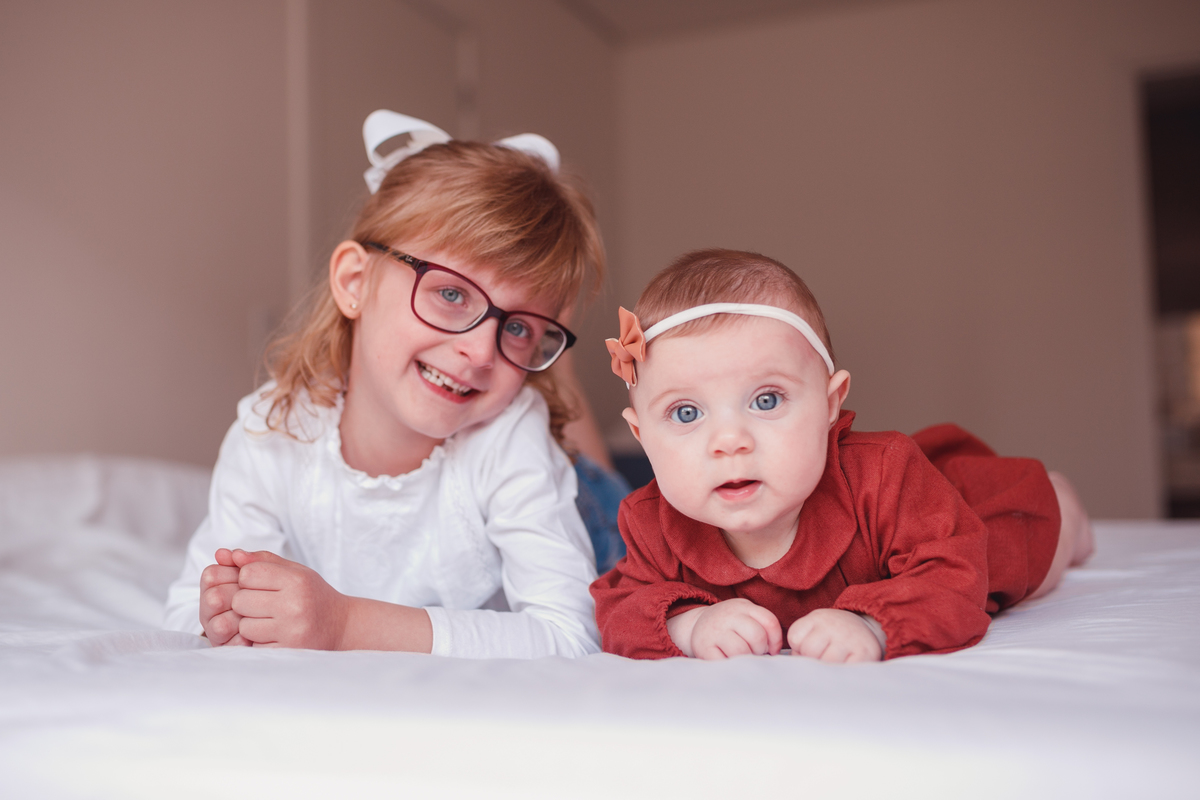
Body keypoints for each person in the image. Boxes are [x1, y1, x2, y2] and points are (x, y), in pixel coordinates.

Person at [164, 110, 607, 658]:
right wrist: (222, 616)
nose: (479, 350)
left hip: (581, 503)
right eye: (451, 294)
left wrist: (348, 625)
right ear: (354, 282)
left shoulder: (507, 434)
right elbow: (186, 612)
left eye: (517, 328)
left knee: (621, 518)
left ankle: (569, 405)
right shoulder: (269, 432)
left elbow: (570, 634)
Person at [590, 249, 1093, 662]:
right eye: (684, 413)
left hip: (930, 517)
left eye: (766, 400)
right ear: (641, 435)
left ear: (831, 404)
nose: (728, 441)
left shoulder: (885, 474)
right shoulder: (652, 519)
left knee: (1020, 543)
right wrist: (689, 624)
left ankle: (1065, 505)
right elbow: (619, 606)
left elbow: (956, 578)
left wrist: (872, 624)